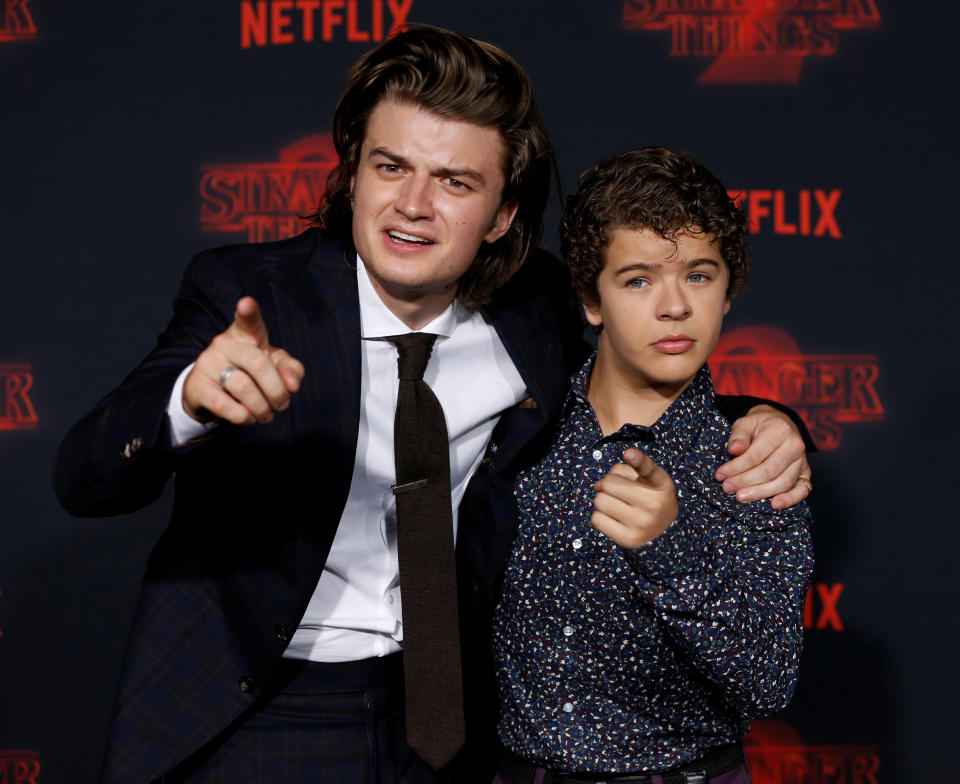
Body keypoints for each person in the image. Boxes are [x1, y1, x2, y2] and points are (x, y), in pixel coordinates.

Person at [54, 27, 812, 784]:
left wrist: (773, 421)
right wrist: (188, 400)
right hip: (263, 708)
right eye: (391, 167)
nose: (412, 206)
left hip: (446, 728)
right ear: (353, 172)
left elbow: (644, 364)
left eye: (454, 182)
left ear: (503, 214)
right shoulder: (249, 296)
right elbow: (86, 476)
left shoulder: (534, 309)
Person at [492, 147, 814, 784]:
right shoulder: (519, 425)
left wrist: (670, 546)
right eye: (638, 280)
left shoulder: (753, 460)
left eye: (699, 275)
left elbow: (769, 680)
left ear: (727, 293)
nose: (674, 307)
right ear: (591, 298)